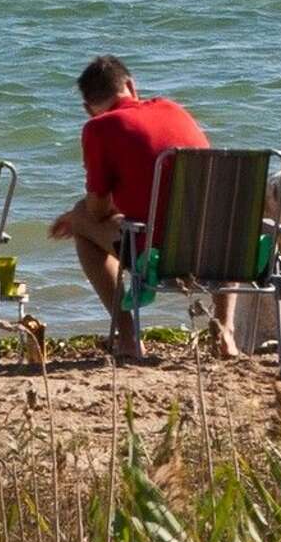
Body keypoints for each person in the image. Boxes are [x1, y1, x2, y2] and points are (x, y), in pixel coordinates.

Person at [48, 55, 237, 359]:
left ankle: (129, 338)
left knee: (82, 220)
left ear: (87, 109)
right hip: (221, 249)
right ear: (131, 86)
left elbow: (97, 213)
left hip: (159, 257)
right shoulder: (174, 110)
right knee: (208, 218)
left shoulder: (99, 128)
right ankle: (225, 332)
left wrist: (76, 216)